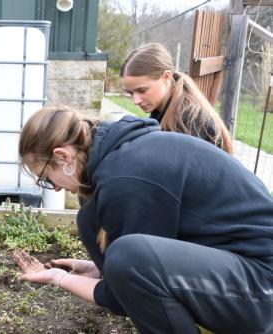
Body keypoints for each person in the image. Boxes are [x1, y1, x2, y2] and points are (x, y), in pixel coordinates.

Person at [16, 106, 273, 333]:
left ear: (63, 156)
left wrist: (59, 279)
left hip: (262, 288)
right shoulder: (123, 156)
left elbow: (123, 290)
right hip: (239, 271)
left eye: (46, 179)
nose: (56, 189)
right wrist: (97, 270)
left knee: (127, 258)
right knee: (90, 219)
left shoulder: (126, 179)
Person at [120, 42, 233, 154]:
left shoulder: (188, 121)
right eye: (130, 93)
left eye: (142, 90)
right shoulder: (161, 111)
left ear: (166, 76)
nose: (135, 100)